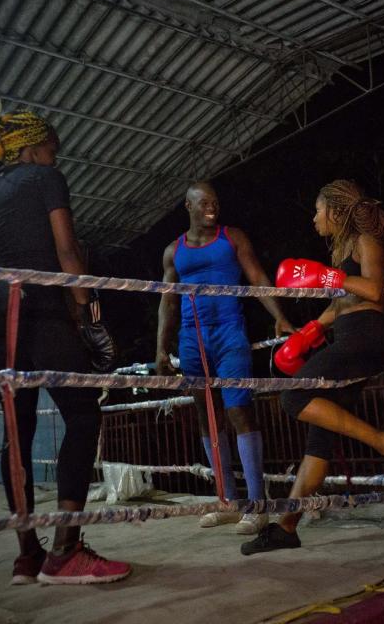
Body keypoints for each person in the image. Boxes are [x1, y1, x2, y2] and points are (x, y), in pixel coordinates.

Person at [0, 111, 130, 584]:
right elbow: (65, 249)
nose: (55, 156)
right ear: (33, 148)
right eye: (52, 149)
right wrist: (91, 313)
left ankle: (27, 558)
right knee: (82, 414)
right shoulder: (46, 178)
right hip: (40, 302)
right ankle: (66, 551)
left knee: (17, 433)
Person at [241, 179, 384, 555]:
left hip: (366, 341)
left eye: (319, 209)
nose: (314, 218)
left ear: (336, 211)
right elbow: (342, 303)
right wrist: (310, 330)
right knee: (318, 442)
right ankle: (287, 527)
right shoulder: (343, 253)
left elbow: (373, 290)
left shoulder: (366, 240)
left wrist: (327, 276)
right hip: (348, 339)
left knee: (293, 398)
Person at [155, 181, 295, 534]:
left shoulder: (232, 237)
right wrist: (160, 347)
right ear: (187, 206)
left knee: (238, 411)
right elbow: (167, 301)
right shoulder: (174, 250)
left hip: (230, 332)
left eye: (215, 202)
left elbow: (257, 277)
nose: (211, 208)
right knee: (207, 417)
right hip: (191, 339)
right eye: (204, 203)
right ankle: (228, 501)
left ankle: (257, 504)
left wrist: (278, 315)